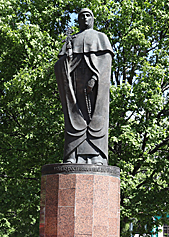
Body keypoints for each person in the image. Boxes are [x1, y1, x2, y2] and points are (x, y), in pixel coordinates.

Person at [54, 8, 114, 165]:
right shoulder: (72, 40)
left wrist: (94, 79)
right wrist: (66, 60)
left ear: (93, 19)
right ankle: (72, 155)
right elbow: (61, 65)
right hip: (75, 89)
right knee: (74, 118)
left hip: (94, 89)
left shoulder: (101, 38)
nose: (85, 18)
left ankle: (96, 156)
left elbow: (105, 66)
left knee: (95, 119)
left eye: (88, 15)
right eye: (81, 16)